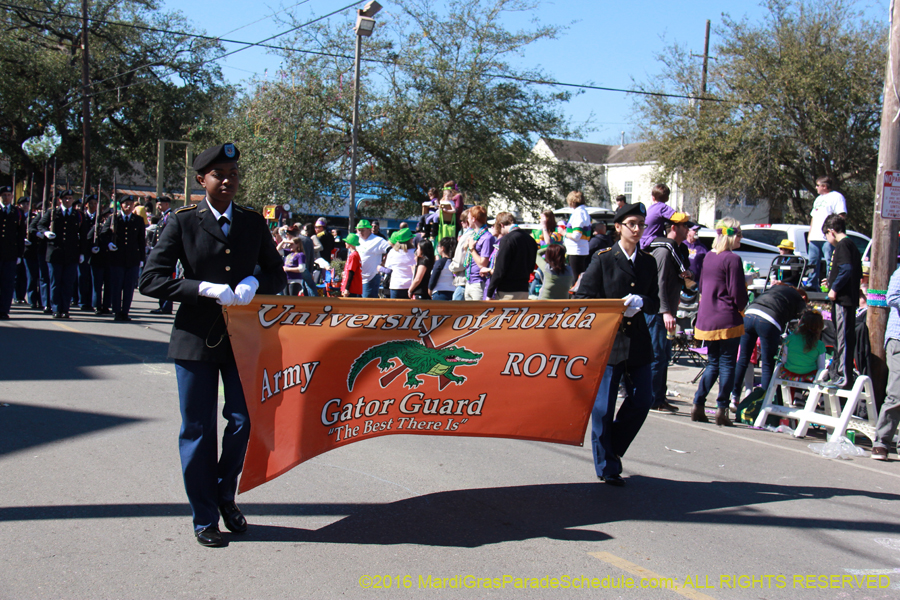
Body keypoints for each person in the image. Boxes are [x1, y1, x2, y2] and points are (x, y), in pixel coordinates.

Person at [138, 143, 287, 548]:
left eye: (233, 175)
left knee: (243, 420)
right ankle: (204, 515)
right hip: (194, 340)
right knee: (199, 429)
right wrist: (202, 288)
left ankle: (225, 495)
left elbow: (277, 276)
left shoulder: (254, 223)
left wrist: (254, 283)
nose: (228, 181)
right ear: (201, 179)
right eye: (219, 174)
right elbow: (150, 280)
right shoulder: (184, 221)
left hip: (243, 340)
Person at [575, 202, 659, 486]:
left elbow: (655, 302)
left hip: (637, 341)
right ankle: (607, 467)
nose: (637, 229)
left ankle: (612, 448)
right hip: (608, 341)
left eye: (641, 224)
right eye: (632, 224)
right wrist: (613, 308)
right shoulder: (603, 258)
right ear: (619, 227)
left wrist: (642, 302)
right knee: (602, 408)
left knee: (643, 399)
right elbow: (583, 301)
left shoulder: (648, 262)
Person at [691, 217, 748, 426]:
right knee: (727, 364)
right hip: (727, 317)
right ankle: (722, 408)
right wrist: (744, 305)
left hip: (708, 316)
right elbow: (737, 293)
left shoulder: (708, 257)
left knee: (713, 363)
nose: (741, 238)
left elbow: (702, 287)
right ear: (731, 236)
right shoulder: (732, 259)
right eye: (740, 234)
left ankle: (698, 402)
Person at [645, 212, 694, 413]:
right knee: (657, 356)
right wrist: (666, 311)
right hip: (658, 313)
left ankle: (659, 397)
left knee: (664, 355)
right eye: (684, 226)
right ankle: (653, 399)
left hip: (668, 312)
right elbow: (659, 284)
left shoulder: (677, 250)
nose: (688, 230)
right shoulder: (664, 252)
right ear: (673, 228)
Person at [731, 283, 808, 406]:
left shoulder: (777, 289)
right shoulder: (799, 299)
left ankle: (734, 397)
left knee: (743, 359)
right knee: (767, 363)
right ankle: (764, 401)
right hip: (769, 320)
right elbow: (803, 319)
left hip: (749, 314)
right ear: (803, 297)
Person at [822, 213, 862, 388]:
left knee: (843, 336)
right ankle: (837, 371)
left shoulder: (844, 245)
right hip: (846, 299)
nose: (827, 240)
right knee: (841, 336)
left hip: (844, 301)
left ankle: (842, 375)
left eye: (826, 236)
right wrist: (831, 280)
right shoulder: (851, 245)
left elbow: (846, 269)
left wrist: (834, 288)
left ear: (832, 231)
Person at [37, 189, 83, 319]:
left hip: (71, 254)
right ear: (60, 200)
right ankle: (56, 308)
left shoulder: (77, 214)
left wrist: (82, 253)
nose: (68, 200)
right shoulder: (53, 213)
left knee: (68, 283)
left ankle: (65, 309)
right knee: (55, 282)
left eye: (70, 198)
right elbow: (40, 225)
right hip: (55, 253)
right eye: (65, 198)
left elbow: (83, 234)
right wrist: (46, 233)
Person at [100, 195, 145, 322]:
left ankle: (125, 311)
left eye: (131, 204)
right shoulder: (114, 218)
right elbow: (103, 234)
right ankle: (117, 311)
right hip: (117, 258)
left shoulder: (138, 220)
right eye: (126, 204)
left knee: (129, 287)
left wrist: (142, 258)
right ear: (121, 205)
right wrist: (109, 244)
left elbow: (141, 240)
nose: (128, 206)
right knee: (116, 286)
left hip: (132, 259)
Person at [872, 263, 900, 460]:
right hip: (898, 338)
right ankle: (882, 441)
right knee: (896, 392)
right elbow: (892, 298)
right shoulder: (899, 272)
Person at [779, 309, 827, 406]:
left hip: (789, 374)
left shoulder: (790, 339)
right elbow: (821, 366)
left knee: (792, 369)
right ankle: (817, 399)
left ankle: (797, 396)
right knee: (817, 372)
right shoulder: (820, 345)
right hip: (808, 376)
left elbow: (784, 359)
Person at [486, 212, 538, 300]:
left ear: (501, 225)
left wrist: (489, 293)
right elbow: (531, 267)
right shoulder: (531, 240)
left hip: (507, 291)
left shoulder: (507, 239)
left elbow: (500, 268)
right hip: (524, 289)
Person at [808, 175, 847, 287]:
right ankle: (812, 285)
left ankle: (831, 284)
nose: (816, 187)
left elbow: (841, 216)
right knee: (812, 262)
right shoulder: (818, 199)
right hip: (815, 237)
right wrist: (810, 234)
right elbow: (813, 217)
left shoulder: (836, 197)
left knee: (831, 261)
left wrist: (835, 233)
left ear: (824, 186)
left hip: (828, 237)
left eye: (818, 185)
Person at [0, 185, 24, 319]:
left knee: (8, 283)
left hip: (10, 253)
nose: (6, 198)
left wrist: (20, 254)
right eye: (4, 195)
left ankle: (4, 310)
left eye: (8, 195)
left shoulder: (17, 212)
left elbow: (20, 235)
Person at [464, 206, 494, 301]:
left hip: (479, 283)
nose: (467, 220)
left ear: (473, 219)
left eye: (468, 218)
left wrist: (472, 249)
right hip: (469, 281)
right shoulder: (474, 235)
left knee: (478, 314)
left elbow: (482, 264)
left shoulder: (486, 238)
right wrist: (467, 246)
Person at [150, 196, 174, 315]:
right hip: (161, 251)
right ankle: (163, 305)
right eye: (157, 204)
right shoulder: (163, 216)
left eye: (160, 204)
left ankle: (166, 306)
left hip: (167, 253)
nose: (158, 206)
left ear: (166, 205)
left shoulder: (169, 217)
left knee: (166, 279)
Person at [356, 219, 391, 298]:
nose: (360, 232)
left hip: (370, 278)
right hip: (357, 278)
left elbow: (391, 251)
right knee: (356, 305)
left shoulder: (378, 240)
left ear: (369, 229)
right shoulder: (356, 238)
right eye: (359, 230)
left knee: (367, 305)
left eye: (363, 230)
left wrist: (384, 263)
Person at [563, 191, 591, 280]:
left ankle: (576, 294)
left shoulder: (578, 213)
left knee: (576, 279)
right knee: (579, 277)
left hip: (576, 250)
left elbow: (576, 235)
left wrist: (564, 233)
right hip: (580, 249)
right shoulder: (583, 212)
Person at [640, 183, 677, 249]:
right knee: (671, 244)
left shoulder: (650, 208)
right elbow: (677, 217)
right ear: (667, 198)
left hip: (642, 239)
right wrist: (686, 216)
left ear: (653, 198)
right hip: (650, 239)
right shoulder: (662, 207)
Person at [535, 235, 573, 299]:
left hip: (544, 303)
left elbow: (537, 254)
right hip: (562, 305)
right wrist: (559, 249)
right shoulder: (569, 270)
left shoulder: (547, 268)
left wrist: (549, 248)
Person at [384, 227, 416, 299]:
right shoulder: (415, 252)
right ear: (410, 240)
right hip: (411, 286)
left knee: (395, 309)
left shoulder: (392, 252)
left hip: (396, 286)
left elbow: (388, 268)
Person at [449, 209, 473, 301]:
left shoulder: (466, 236)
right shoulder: (477, 234)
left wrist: (451, 267)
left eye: (463, 221)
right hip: (469, 281)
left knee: (456, 313)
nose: (462, 223)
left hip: (463, 281)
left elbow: (460, 263)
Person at [428, 237, 457, 301]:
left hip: (439, 293)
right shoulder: (454, 262)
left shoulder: (440, 262)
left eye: (438, 246)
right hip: (453, 292)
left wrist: (430, 289)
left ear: (442, 248)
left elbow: (434, 277)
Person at [341, 233, 362, 298]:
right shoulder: (354, 254)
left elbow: (351, 272)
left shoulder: (353, 256)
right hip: (352, 287)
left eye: (347, 242)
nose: (345, 243)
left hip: (352, 288)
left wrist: (347, 289)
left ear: (350, 244)